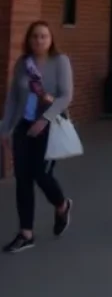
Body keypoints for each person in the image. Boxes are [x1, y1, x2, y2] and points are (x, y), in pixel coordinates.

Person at [1, 21, 74, 253]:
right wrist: (5, 128)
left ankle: (62, 205)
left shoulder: (60, 61)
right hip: (24, 126)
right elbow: (13, 98)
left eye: (43, 36)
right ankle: (26, 233)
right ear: (29, 40)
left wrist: (44, 120)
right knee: (23, 178)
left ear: (51, 39)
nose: (39, 40)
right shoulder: (23, 64)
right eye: (35, 36)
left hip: (49, 125)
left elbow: (65, 96)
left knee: (40, 174)